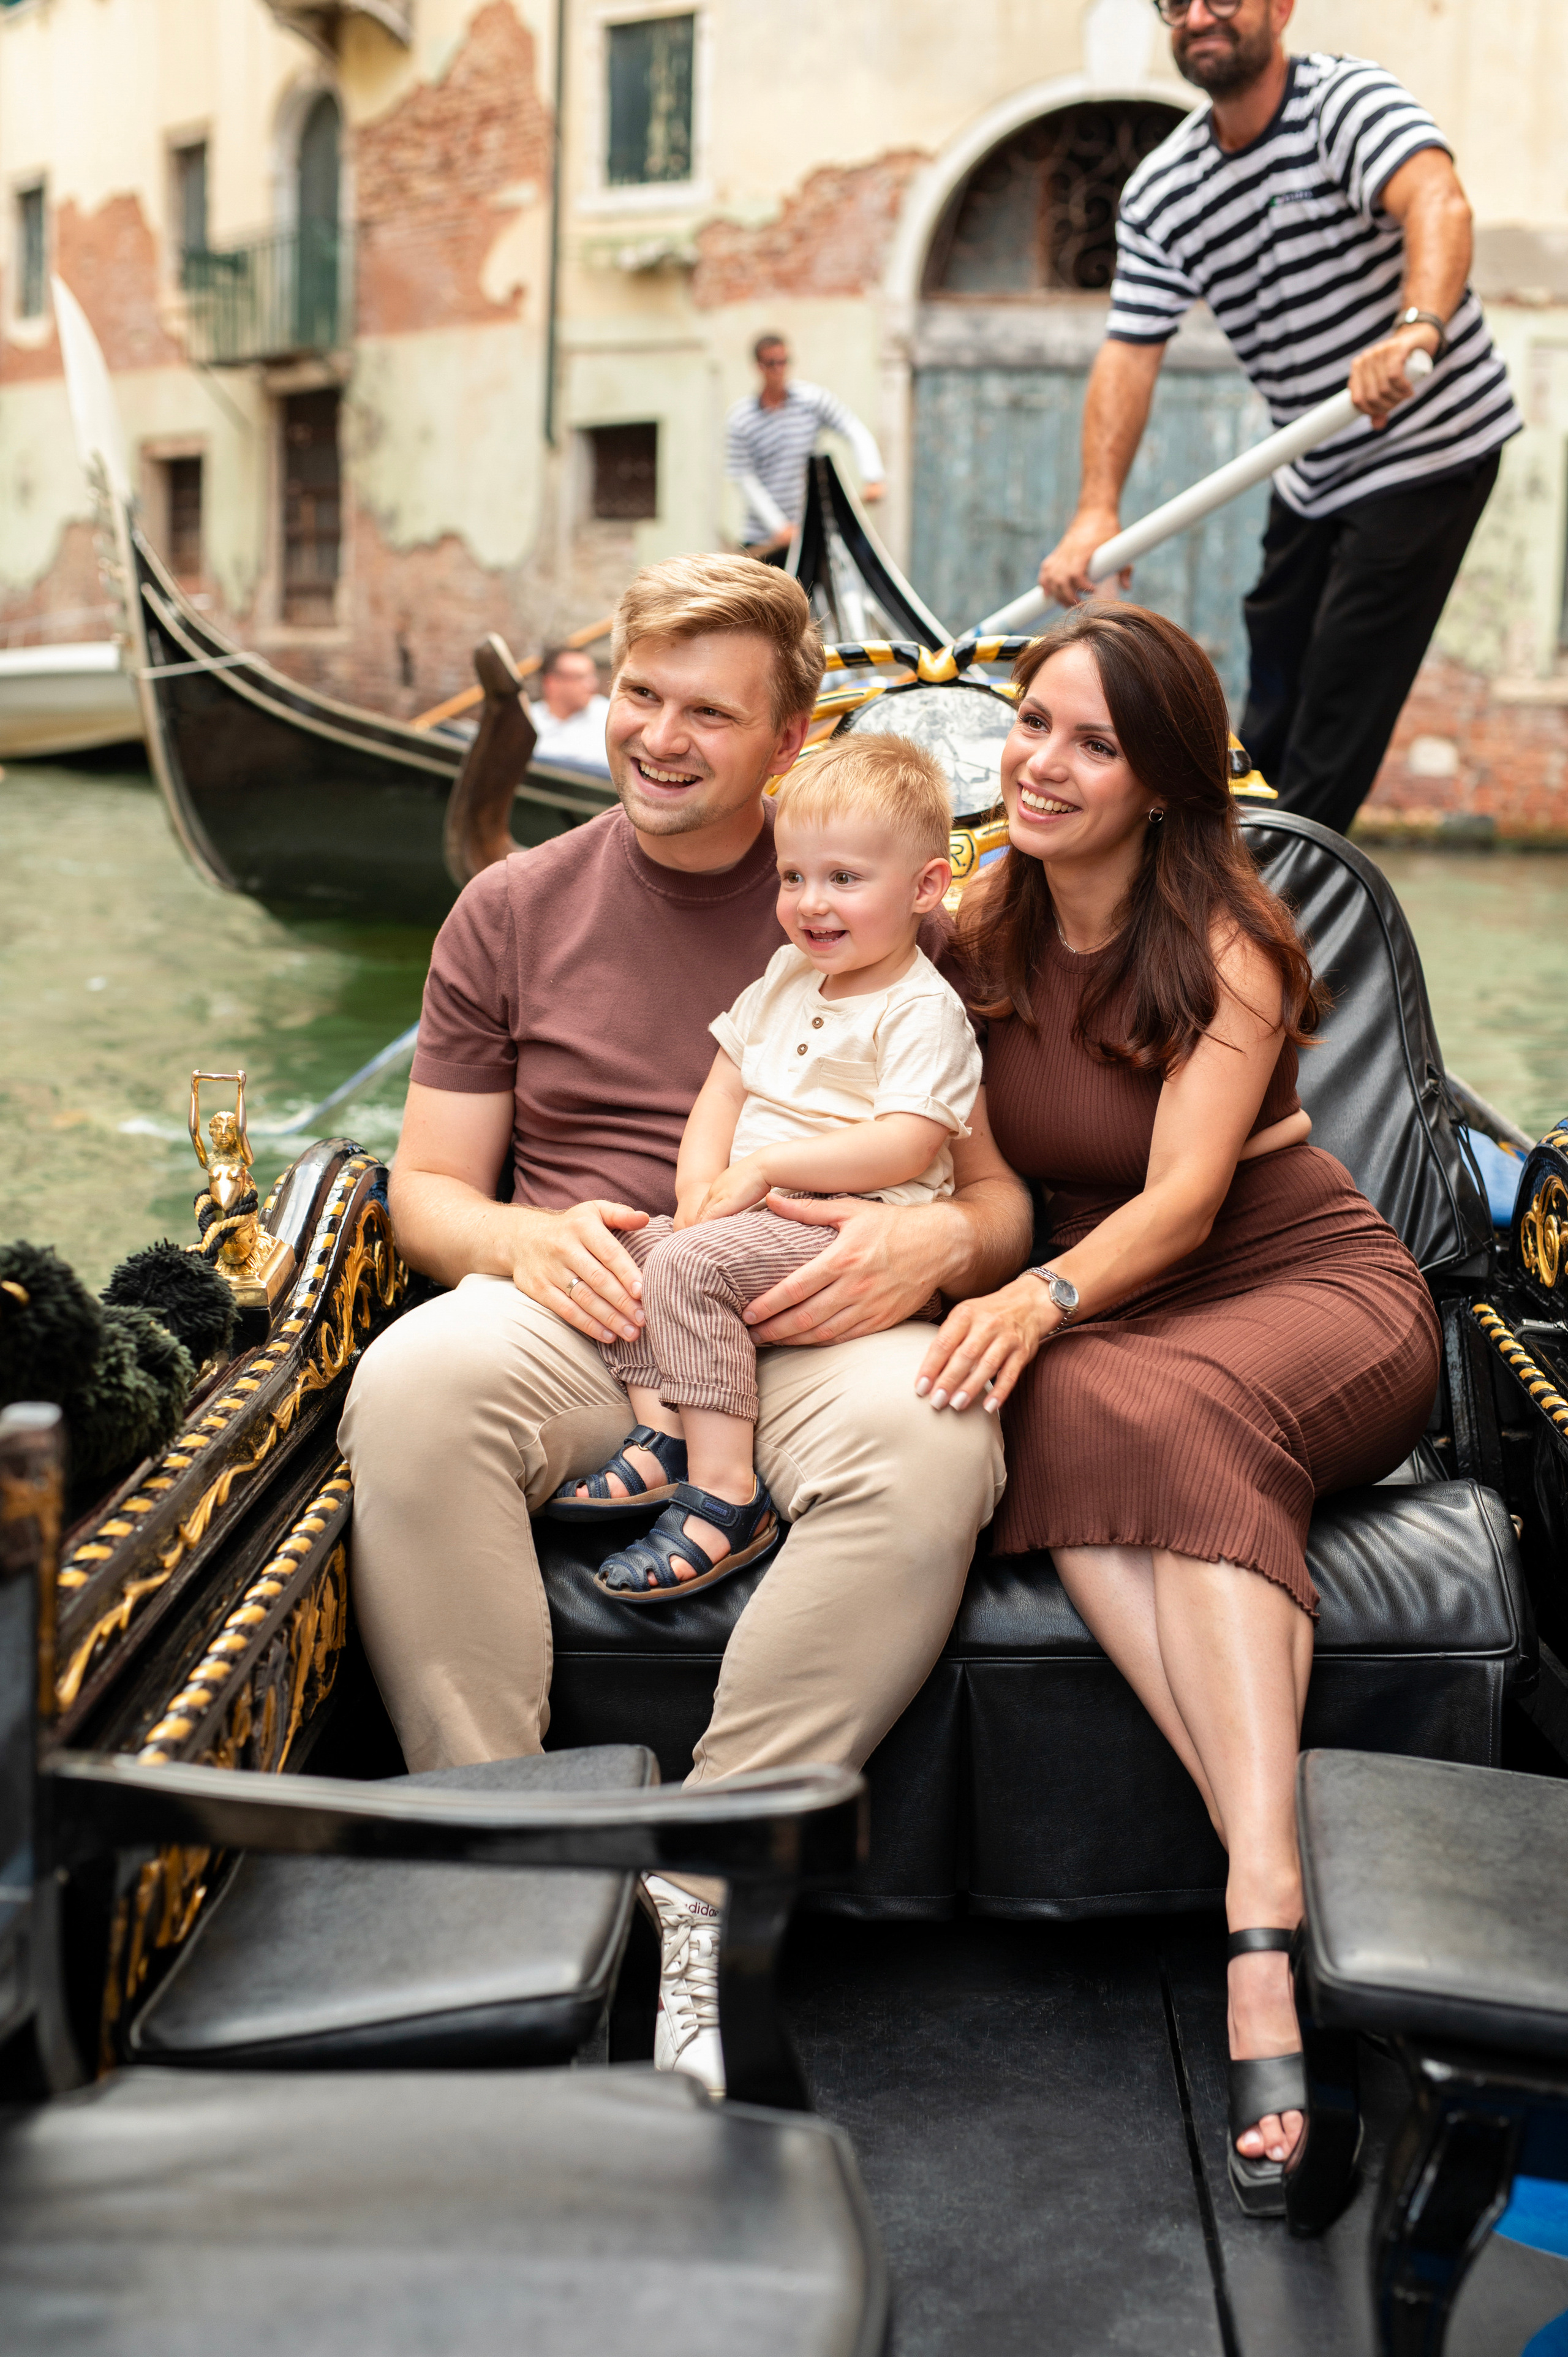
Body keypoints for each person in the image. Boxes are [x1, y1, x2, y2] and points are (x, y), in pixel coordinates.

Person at [339, 553, 1022, 2094]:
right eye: (640, 694)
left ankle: (701, 1889)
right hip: (588, 1321)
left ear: (785, 744)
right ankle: (518, 1882)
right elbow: (426, 1193)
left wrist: (935, 1239)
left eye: (705, 713)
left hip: (822, 1323)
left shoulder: (891, 894)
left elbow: (1000, 1202)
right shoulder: (511, 907)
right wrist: (525, 1234)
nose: (656, 735)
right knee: (409, 1385)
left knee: (931, 1448)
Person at [918, 602, 1439, 2217]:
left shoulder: (1229, 936)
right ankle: (1277, 1869)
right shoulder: (973, 926)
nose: (1045, 763)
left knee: (1133, 1394)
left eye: (1096, 741)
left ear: (1163, 779)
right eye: (1031, 721)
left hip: (1304, 1284)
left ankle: (1258, 1943)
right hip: (1115, 1315)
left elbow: (1186, 1193)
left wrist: (1033, 1292)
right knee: (1067, 1406)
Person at [1037, 0, 1521, 838]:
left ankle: (1279, 909)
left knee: (1338, 700)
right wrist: (1095, 510)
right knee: (1268, 700)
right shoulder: (1164, 188)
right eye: (1177, 3)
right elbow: (1128, 354)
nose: (1198, 16)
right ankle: (1221, 871)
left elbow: (1438, 202)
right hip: (1314, 460)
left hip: (1431, 448)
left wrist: (1416, 325)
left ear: (1281, 7)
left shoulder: (1346, 104)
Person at [546, 733, 981, 1602]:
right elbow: (725, 1088)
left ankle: (727, 1497)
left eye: (845, 880)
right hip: (756, 1218)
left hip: (843, 1222)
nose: (812, 903)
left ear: (926, 887)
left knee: (691, 1264)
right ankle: (661, 1435)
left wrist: (764, 1171)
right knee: (631, 1249)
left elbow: (908, 1141)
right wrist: (697, 1188)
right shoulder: (786, 975)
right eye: (794, 877)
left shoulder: (922, 1009)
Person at [726, 333, 886, 562]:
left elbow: (854, 429)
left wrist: (873, 475)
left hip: (810, 531)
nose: (779, 369)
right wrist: (779, 526)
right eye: (772, 363)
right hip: (764, 537)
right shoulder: (741, 419)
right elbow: (744, 477)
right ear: (759, 367)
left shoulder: (812, 401)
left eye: (784, 361)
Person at [527, 645, 611, 770]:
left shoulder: (610, 717)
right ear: (552, 683)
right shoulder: (527, 720)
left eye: (592, 676)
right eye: (580, 677)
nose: (592, 684)